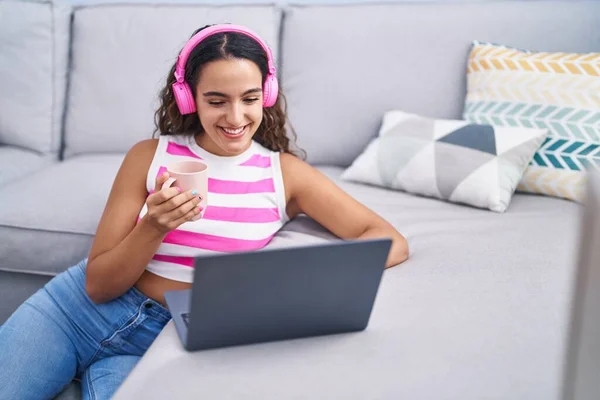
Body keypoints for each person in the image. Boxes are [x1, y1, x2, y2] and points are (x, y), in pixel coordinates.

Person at [0, 24, 409, 399]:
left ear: (266, 95)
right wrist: (154, 227)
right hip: (73, 313)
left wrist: (302, 279)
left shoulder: (285, 174)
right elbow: (99, 286)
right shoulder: (149, 155)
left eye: (249, 99)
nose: (235, 117)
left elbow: (388, 240)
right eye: (216, 101)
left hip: (171, 342)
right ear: (188, 98)